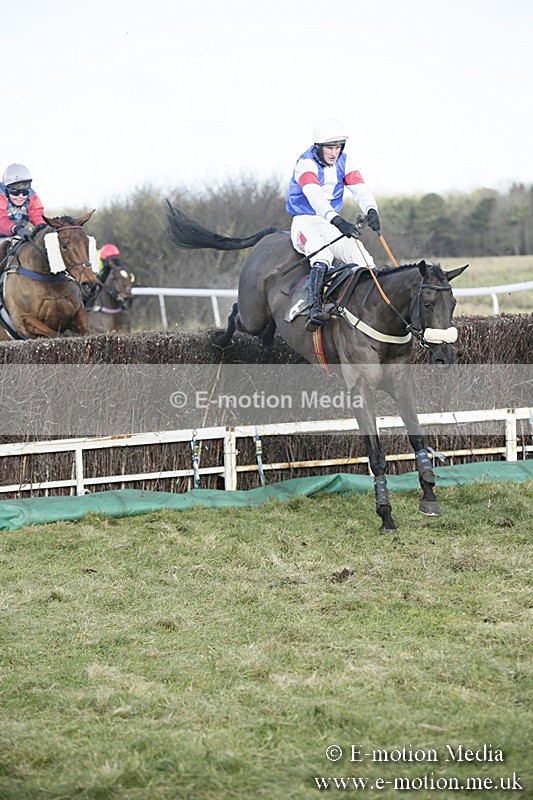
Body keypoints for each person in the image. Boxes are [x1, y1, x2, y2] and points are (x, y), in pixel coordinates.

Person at [286, 118, 381, 331]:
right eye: (329, 147)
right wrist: (337, 220)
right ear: (318, 147)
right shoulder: (305, 164)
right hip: (305, 221)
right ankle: (313, 308)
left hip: (329, 223)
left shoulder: (345, 161)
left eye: (338, 147)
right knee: (323, 256)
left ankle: (368, 310)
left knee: (363, 258)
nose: (334, 152)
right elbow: (315, 197)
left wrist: (372, 210)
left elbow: (360, 189)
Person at [0, 163, 46, 240]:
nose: (20, 196)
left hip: (16, 234)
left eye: (24, 192)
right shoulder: (1, 195)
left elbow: (37, 215)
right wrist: (15, 228)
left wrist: (44, 227)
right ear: (7, 189)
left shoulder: (32, 196)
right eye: (15, 193)